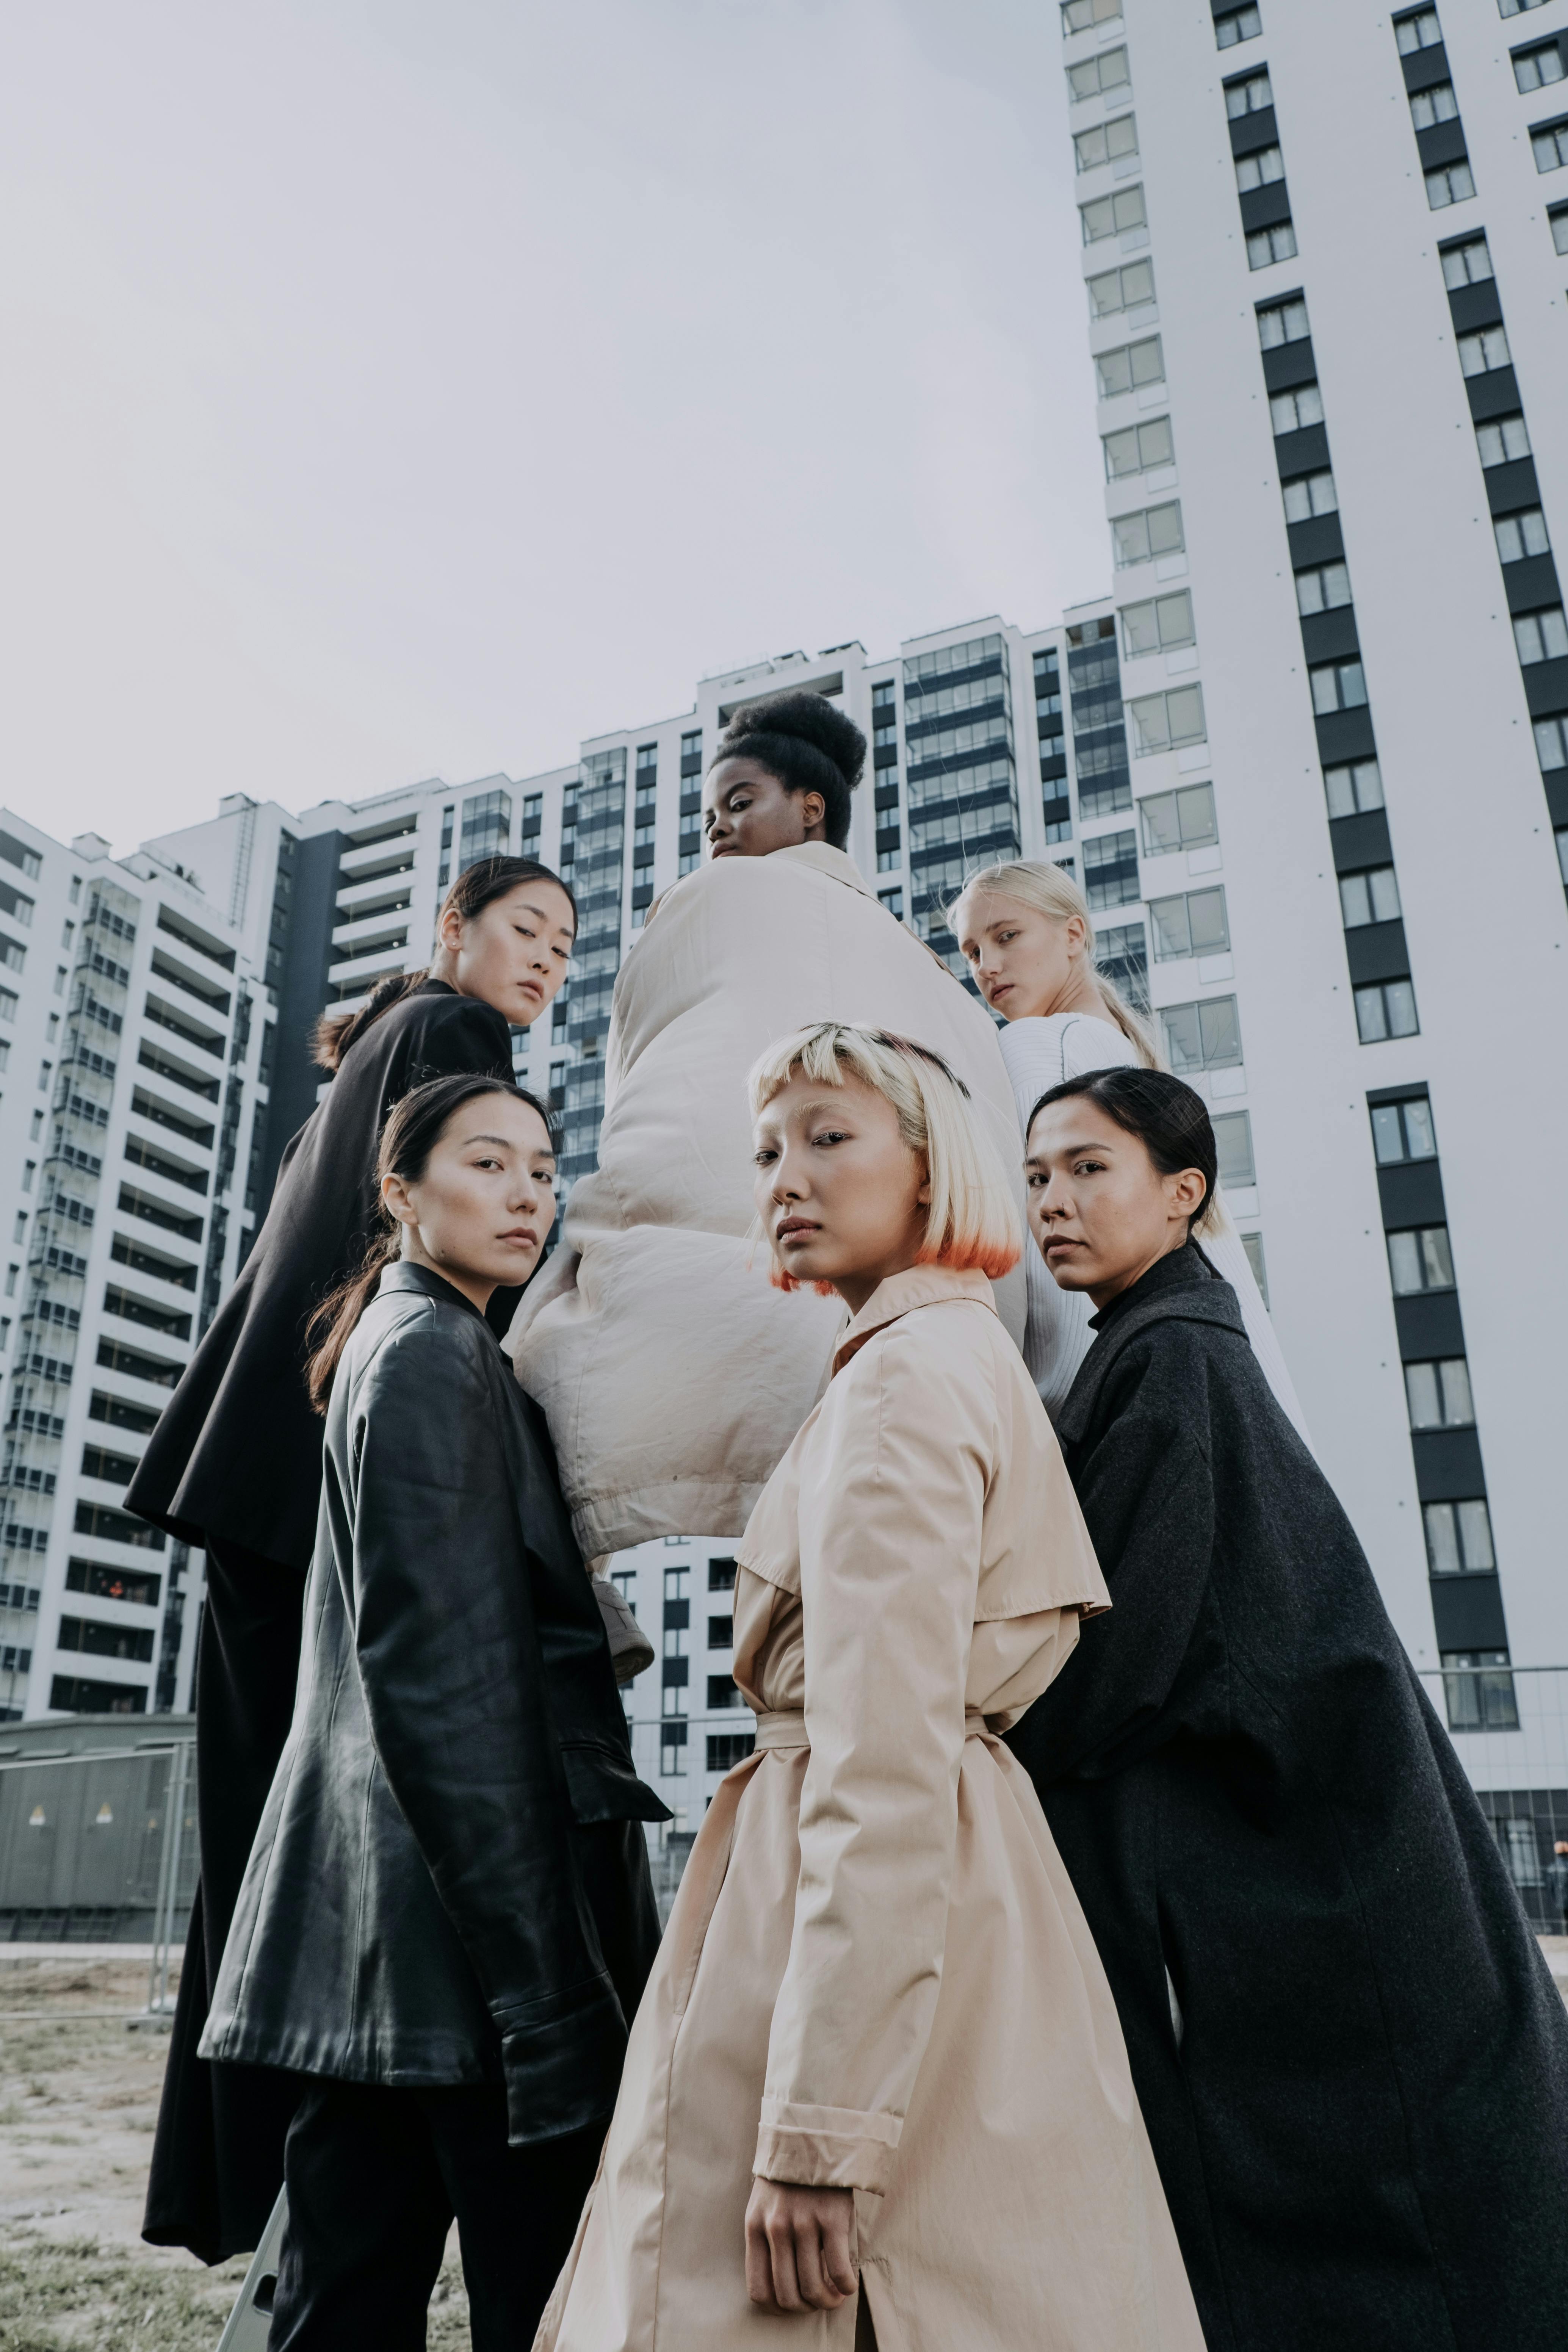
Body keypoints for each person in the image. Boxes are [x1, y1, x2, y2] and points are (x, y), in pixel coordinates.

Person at [535, 1025, 1203, 2352]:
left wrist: (818, 2132)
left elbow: (879, 1762)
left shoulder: (902, 1385)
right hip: (957, 1918)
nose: (784, 1174)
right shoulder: (938, 1359)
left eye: (829, 1135)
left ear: (929, 1166)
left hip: (858, 1923)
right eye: (767, 1148)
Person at [1010, 1065, 1568, 2352]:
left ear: (1181, 1191)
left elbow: (1109, 1666)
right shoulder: (1160, 1346)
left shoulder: (1170, 1366)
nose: (1053, 1199)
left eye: (1089, 1168)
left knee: (1386, 2233)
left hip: (1326, 1874)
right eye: (1036, 1173)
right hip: (1323, 1858)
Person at [128, 855, 576, 2263]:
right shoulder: (454, 1037)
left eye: (564, 947)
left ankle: (238, 2185)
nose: (546, 962)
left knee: (268, 1848)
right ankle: (277, 2183)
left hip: (248, 1465)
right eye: (526, 930)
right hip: (324, 1460)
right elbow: (409, 1242)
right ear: (454, 929)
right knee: (333, 1837)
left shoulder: (378, 1030)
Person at [201, 1073, 666, 2352]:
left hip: (379, 1948)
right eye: (483, 1164)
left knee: (345, 2304)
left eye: (536, 1165)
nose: (524, 1192)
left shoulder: (411, 1342)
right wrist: (543, 1995)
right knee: (552, 2311)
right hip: (462, 1964)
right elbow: (447, 1685)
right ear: (400, 1192)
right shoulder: (427, 1356)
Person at [507, 692, 1025, 1563]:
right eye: (708, 817)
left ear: (810, 808)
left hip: (753, 1313)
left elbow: (658, 1083)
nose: (716, 831)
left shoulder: (713, 898)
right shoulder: (934, 975)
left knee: (529, 1398)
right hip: (955, 1355)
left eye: (739, 803)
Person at [950, 858, 1306, 1439]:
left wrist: (1047, 1427)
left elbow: (1058, 1286)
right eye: (970, 952)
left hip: (1129, 1417)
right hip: (1241, 1413)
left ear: (1073, 935)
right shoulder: (1120, 1051)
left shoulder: (1045, 1049)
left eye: (1006, 936)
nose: (987, 966)